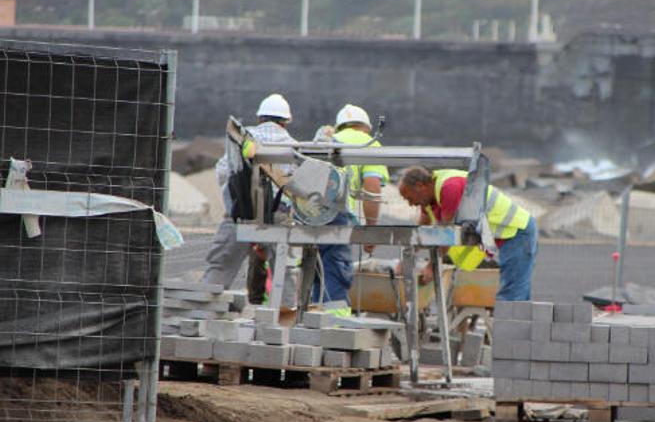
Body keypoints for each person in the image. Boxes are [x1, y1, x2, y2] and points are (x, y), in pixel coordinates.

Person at [201, 93, 295, 303]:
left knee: (220, 266)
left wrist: (233, 205)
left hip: (241, 213)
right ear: (286, 122)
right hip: (277, 216)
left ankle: (201, 311)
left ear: (260, 118)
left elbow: (224, 172)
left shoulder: (242, 140)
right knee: (283, 271)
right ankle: (288, 319)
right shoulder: (293, 145)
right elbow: (297, 187)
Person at [397, 166, 538, 301]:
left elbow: (447, 234)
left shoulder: (448, 188)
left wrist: (431, 267)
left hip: (516, 231)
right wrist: (405, 260)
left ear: (420, 186)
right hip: (509, 233)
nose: (411, 204)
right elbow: (421, 229)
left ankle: (511, 325)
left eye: (409, 198)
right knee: (516, 294)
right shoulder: (430, 193)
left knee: (512, 295)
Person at [311, 104, 390, 314]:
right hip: (336, 213)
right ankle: (336, 327)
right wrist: (370, 231)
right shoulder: (369, 143)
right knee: (336, 268)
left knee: (314, 268)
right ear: (365, 127)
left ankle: (312, 321)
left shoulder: (326, 140)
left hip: (308, 213)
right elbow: (372, 188)